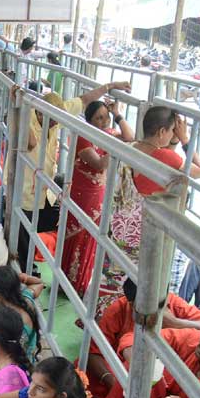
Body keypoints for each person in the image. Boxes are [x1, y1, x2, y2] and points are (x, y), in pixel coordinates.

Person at [94, 106, 200, 316]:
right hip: (143, 233)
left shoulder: (128, 146)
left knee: (113, 280)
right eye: (172, 131)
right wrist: (185, 140)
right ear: (162, 132)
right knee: (143, 285)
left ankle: (101, 322)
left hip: (118, 228)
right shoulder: (166, 157)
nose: (174, 135)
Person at [86, 278, 200, 398]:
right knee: (91, 374)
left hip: (165, 370)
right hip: (127, 367)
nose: (156, 310)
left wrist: (176, 323)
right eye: (149, 306)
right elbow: (94, 352)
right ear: (132, 305)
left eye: (159, 304)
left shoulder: (173, 303)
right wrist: (112, 382)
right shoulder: (117, 310)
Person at [61, 99, 134, 297]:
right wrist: (113, 145)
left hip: (99, 196)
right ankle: (66, 284)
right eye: (98, 118)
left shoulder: (109, 133)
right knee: (77, 238)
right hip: (82, 196)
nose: (104, 122)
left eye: (106, 117)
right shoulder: (84, 137)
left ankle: (80, 284)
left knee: (91, 239)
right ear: (90, 121)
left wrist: (118, 114)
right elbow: (100, 164)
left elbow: (130, 136)